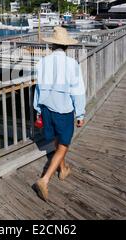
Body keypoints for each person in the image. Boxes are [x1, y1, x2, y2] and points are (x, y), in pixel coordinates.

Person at [33, 27, 86, 201]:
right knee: (64, 145)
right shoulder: (72, 64)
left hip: (47, 109)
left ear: (52, 45)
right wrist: (80, 114)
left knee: (57, 139)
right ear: (66, 47)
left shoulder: (42, 62)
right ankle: (44, 179)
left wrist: (38, 109)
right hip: (63, 111)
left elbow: (38, 89)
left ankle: (63, 170)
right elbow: (77, 91)